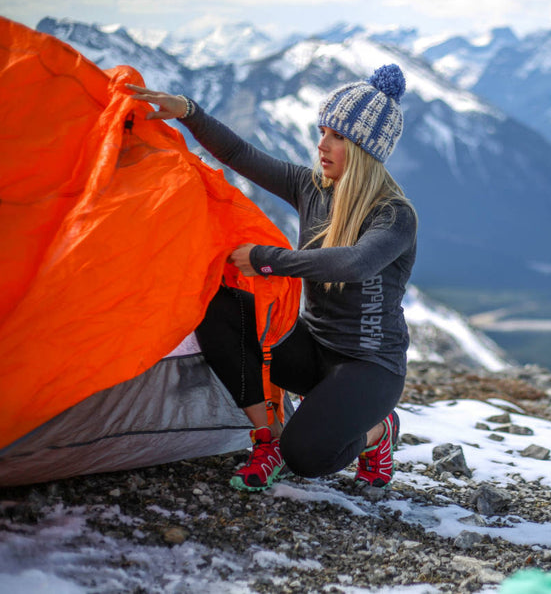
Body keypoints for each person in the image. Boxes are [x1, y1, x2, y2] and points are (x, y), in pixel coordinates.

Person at [126, 64, 417, 492]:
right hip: (312, 351)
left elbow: (355, 263)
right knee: (217, 305)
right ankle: (269, 438)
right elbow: (241, 156)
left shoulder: (395, 215)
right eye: (322, 132)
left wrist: (268, 259)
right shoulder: (312, 187)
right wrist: (188, 112)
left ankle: (378, 431)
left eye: (337, 136)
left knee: (308, 457)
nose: (322, 145)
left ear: (365, 149)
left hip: (369, 368)